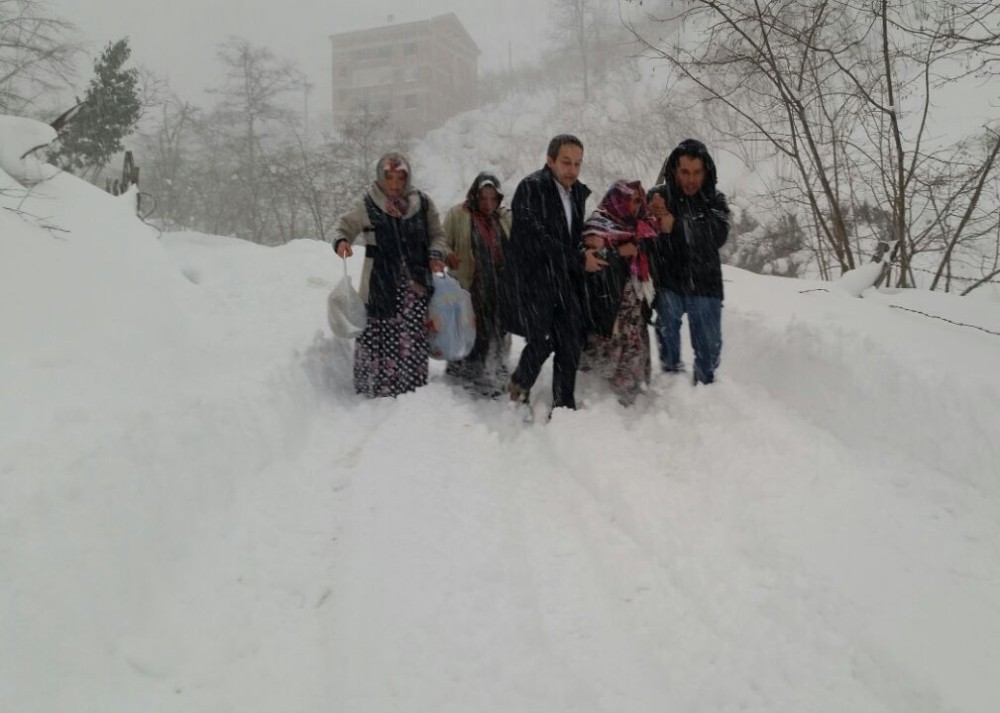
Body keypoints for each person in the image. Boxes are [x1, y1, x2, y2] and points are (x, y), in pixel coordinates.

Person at [501, 134, 604, 413]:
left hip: (566, 279)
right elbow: (534, 238)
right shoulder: (531, 188)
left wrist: (588, 243)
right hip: (535, 279)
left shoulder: (577, 193)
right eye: (566, 162)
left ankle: (563, 405)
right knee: (542, 340)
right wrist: (577, 257)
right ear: (550, 160)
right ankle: (520, 386)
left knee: (570, 342)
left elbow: (568, 236)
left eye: (578, 164)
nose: (572, 170)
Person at [333, 151, 450, 397]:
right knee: (379, 332)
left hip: (414, 285)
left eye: (400, 178)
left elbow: (438, 235)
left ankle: (410, 388)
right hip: (380, 282)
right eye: (389, 178)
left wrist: (435, 255)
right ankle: (376, 387)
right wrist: (342, 242)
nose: (395, 185)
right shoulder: (367, 204)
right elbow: (343, 226)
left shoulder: (423, 204)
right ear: (380, 178)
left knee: (411, 334)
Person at [647, 138, 731, 385]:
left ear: (706, 172)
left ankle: (705, 387)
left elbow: (717, 234)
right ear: (674, 170)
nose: (691, 179)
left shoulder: (716, 200)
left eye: (697, 172)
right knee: (667, 331)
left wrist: (676, 225)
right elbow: (642, 227)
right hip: (668, 281)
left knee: (709, 351)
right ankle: (673, 383)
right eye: (685, 172)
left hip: (706, 283)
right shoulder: (658, 197)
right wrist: (650, 212)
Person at [579, 180, 659, 406]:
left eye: (638, 201)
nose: (635, 206)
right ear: (618, 200)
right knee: (608, 343)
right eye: (630, 201)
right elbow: (592, 263)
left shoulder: (641, 226)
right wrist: (618, 251)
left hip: (632, 302)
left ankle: (629, 393)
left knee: (632, 341)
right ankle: (601, 396)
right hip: (606, 302)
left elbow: (652, 255)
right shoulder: (598, 225)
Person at [441, 172, 513, 397]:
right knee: (474, 330)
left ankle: (496, 369)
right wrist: (448, 255)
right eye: (483, 198)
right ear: (474, 196)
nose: (488, 203)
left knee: (500, 328)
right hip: (470, 284)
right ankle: (470, 375)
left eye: (493, 198)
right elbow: (440, 242)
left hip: (500, 284)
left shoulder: (504, 217)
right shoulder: (458, 215)